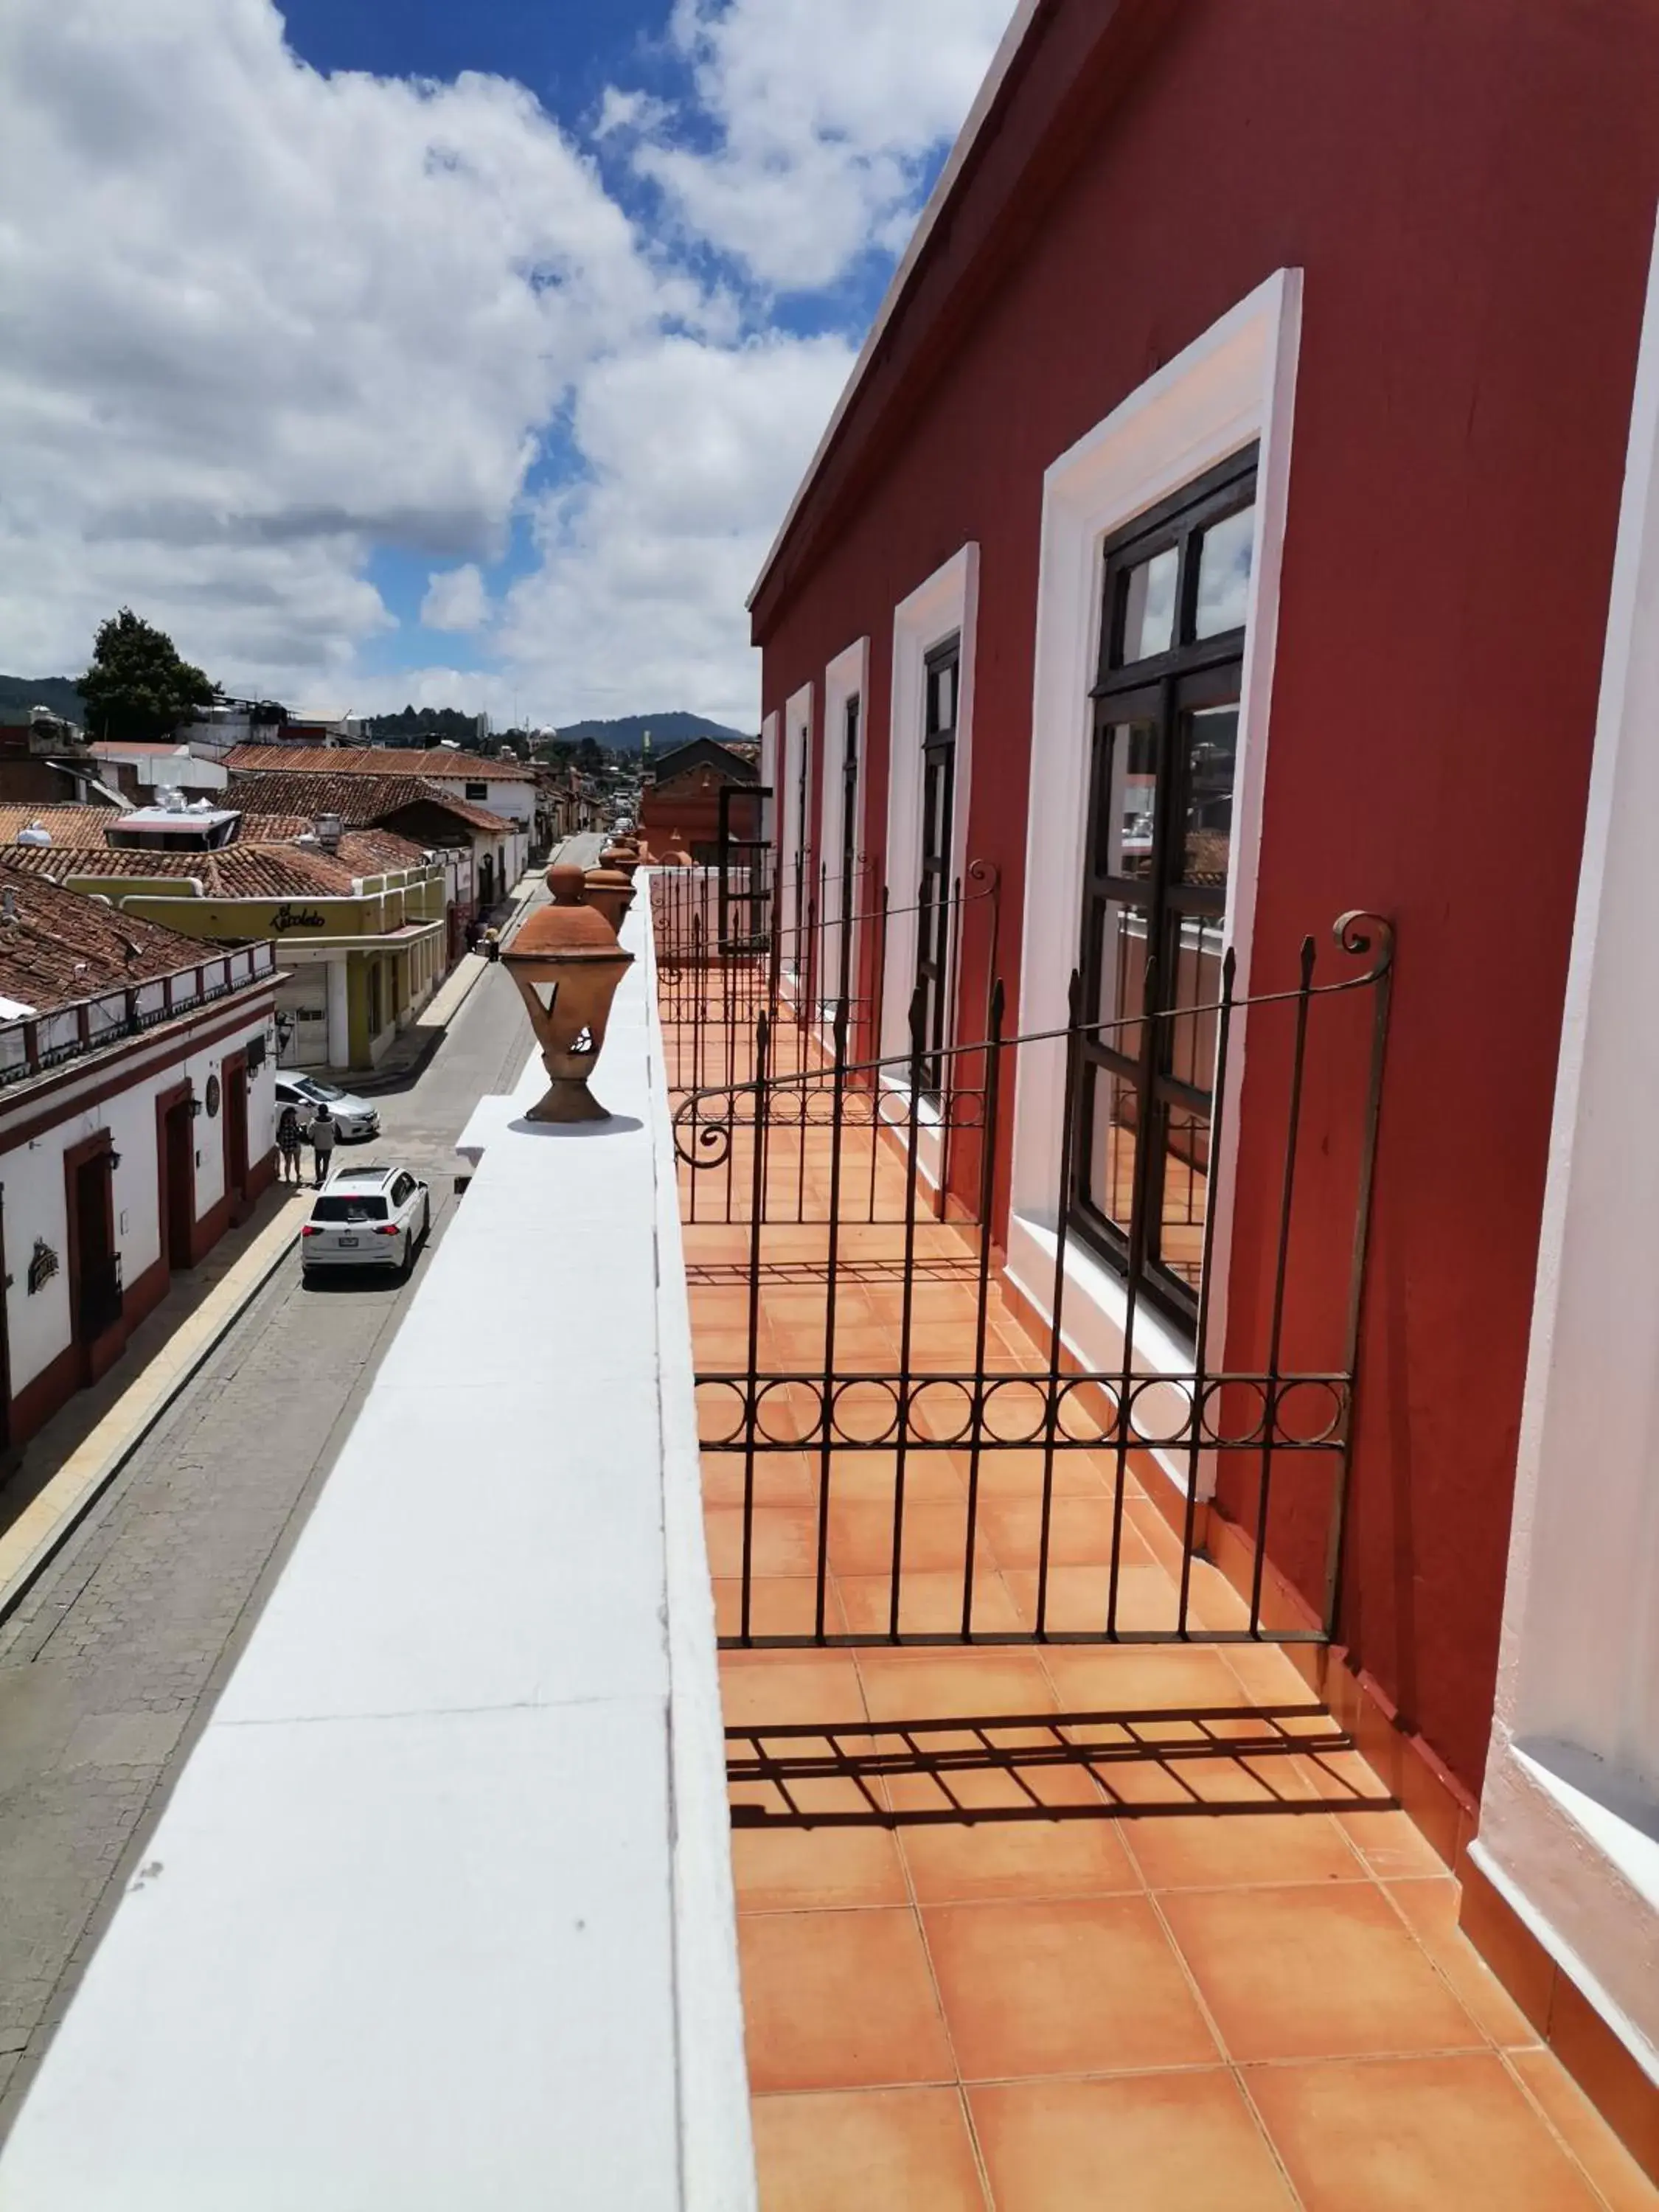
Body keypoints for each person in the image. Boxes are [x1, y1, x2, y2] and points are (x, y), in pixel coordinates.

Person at [276, 1101, 305, 1185]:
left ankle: (292, 1177)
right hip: (290, 1145)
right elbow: (289, 1133)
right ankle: (294, 1176)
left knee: (292, 1162)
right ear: (289, 1114)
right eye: (293, 1114)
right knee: (292, 1162)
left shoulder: (286, 1122)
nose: (294, 1116)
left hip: (290, 1145)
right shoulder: (288, 1123)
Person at [310, 1102, 337, 1188]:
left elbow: (310, 1135)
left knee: (318, 1163)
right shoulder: (332, 1121)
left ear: (319, 1112)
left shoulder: (314, 1122)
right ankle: (324, 1177)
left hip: (318, 1146)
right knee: (326, 1162)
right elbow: (334, 1133)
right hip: (328, 1146)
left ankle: (319, 1179)